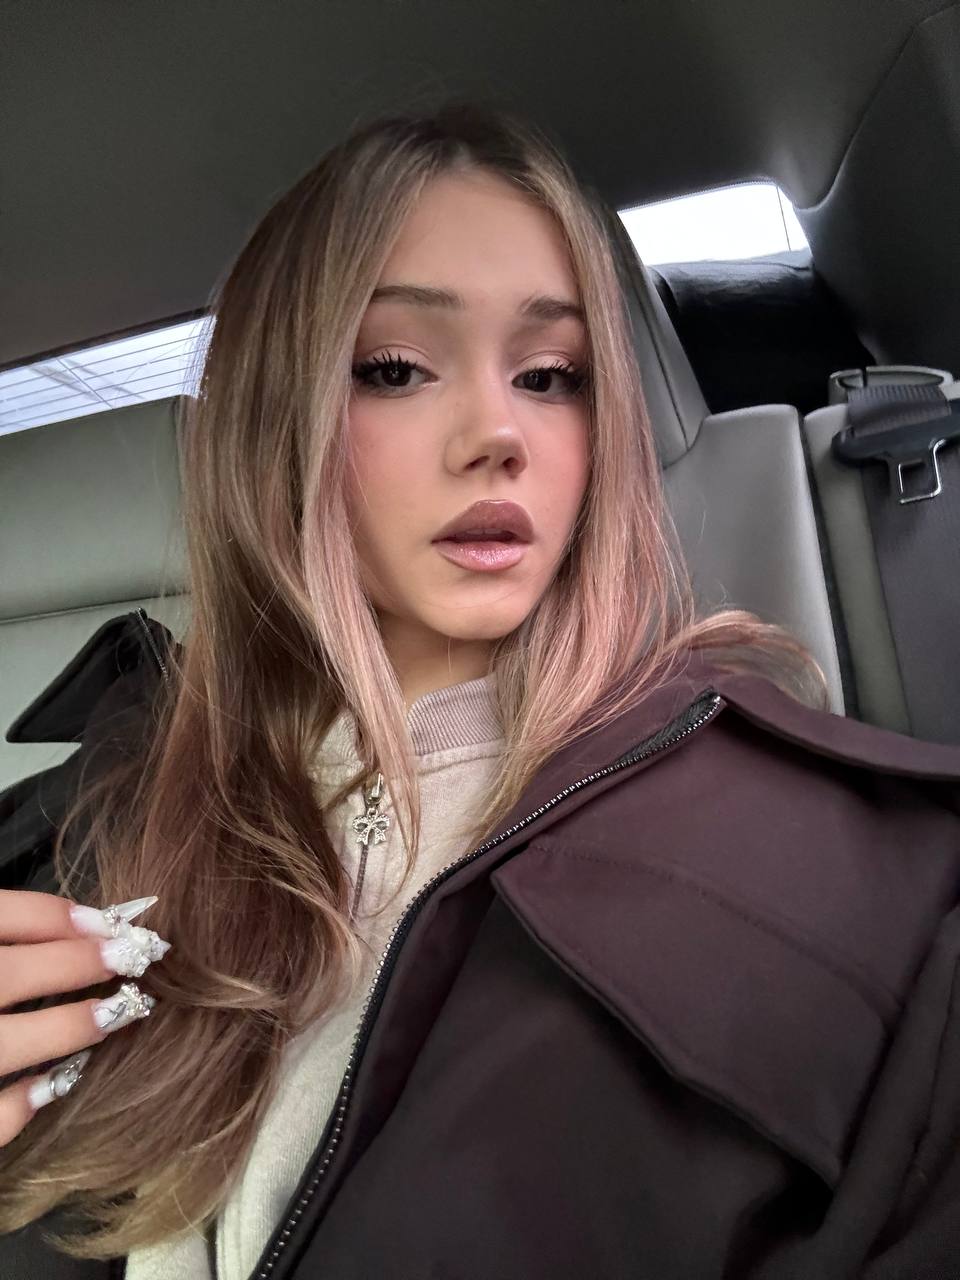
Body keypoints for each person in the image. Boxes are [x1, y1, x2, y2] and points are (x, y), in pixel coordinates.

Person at [1, 100, 960, 1280]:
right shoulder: (102, 816)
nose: (497, 434)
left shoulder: (817, 850)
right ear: (273, 419)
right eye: (396, 368)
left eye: (552, 374)